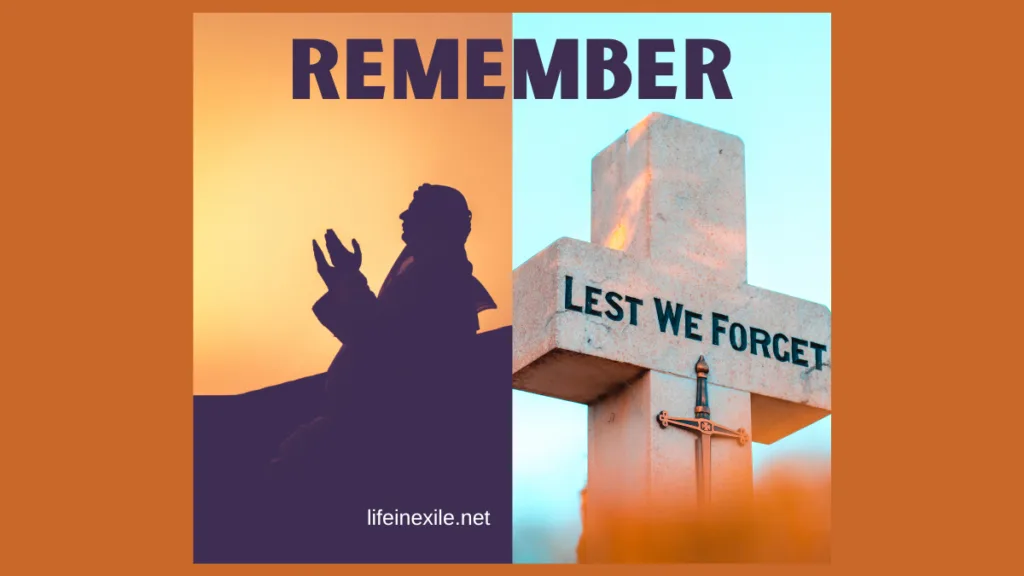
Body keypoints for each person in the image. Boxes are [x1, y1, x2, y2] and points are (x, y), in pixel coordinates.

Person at [260, 183, 498, 561]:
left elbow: (384, 343)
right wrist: (347, 282)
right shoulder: (427, 275)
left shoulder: (441, 281)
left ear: (435, 221)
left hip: (374, 444)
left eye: (413, 210)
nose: (403, 216)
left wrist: (347, 283)